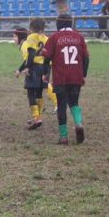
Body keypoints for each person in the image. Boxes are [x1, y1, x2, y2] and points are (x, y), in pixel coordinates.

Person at [42, 14, 89, 145]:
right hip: (76, 76)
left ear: (58, 24)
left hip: (60, 77)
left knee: (61, 105)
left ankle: (63, 137)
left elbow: (46, 57)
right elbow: (86, 58)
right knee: (74, 102)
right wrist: (83, 74)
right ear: (71, 23)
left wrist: (46, 74)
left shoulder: (54, 38)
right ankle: (78, 123)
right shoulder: (79, 37)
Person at [14, 19, 50, 130]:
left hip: (34, 67)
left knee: (30, 93)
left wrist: (27, 67)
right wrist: (47, 71)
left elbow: (31, 54)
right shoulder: (47, 38)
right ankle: (39, 117)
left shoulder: (31, 37)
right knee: (39, 94)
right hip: (45, 67)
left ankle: (36, 117)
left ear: (31, 28)